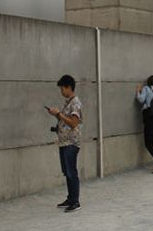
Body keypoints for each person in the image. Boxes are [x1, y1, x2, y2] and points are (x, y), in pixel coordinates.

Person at [45, 75, 83, 212]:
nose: (61, 91)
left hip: (71, 143)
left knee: (71, 172)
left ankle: (75, 202)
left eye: (62, 88)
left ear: (69, 87)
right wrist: (56, 114)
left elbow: (73, 123)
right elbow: (65, 119)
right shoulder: (68, 102)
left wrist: (59, 114)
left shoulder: (75, 103)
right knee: (67, 172)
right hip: (64, 142)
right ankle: (71, 198)